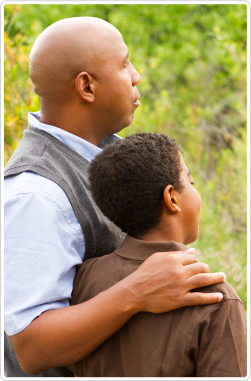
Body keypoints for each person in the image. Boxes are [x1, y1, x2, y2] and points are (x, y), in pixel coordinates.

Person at [4, 17, 226, 377]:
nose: (137, 76)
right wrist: (137, 291)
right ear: (86, 87)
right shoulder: (36, 195)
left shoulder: (105, 153)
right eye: (124, 65)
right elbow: (30, 347)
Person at [69, 133, 247, 377]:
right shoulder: (214, 298)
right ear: (172, 198)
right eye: (191, 183)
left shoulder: (85, 278)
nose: (196, 192)